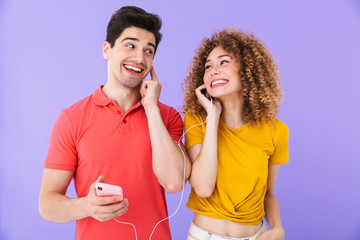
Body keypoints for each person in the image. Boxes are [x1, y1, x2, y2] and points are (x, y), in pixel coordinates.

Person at [39, 6, 191, 240]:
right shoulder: (71, 118)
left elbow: (173, 183)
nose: (139, 58)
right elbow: (47, 204)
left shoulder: (167, 117)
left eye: (148, 51)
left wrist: (151, 108)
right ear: (106, 50)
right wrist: (87, 207)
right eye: (130, 46)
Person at [182, 28, 289, 240]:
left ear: (247, 70)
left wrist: (277, 228)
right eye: (208, 66)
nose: (213, 70)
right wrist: (212, 118)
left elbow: (267, 193)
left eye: (223, 62)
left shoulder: (276, 130)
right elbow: (203, 187)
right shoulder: (196, 120)